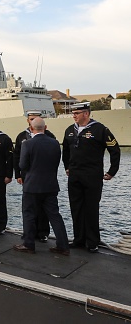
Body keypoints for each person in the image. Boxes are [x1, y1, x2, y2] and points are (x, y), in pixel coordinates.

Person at [63, 102, 121, 253]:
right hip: (74, 175)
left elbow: (114, 149)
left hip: (92, 176)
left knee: (91, 209)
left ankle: (92, 242)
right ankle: (79, 239)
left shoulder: (100, 129)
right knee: (76, 208)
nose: (73, 116)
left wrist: (112, 171)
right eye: (73, 113)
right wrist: (67, 167)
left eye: (77, 113)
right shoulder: (70, 130)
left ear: (86, 114)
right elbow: (66, 151)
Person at [14, 117, 70, 255]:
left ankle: (29, 244)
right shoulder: (55, 144)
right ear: (45, 128)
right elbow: (57, 162)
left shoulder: (27, 144)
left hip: (32, 186)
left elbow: (22, 165)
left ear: (31, 128)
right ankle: (63, 245)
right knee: (54, 216)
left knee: (29, 214)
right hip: (50, 185)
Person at [13, 110, 56, 242]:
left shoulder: (49, 136)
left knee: (43, 208)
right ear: (28, 120)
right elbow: (16, 156)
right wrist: (18, 174)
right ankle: (29, 233)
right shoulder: (22, 137)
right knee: (30, 209)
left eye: (35, 118)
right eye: (31, 118)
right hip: (28, 177)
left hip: (43, 176)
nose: (33, 121)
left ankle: (42, 233)